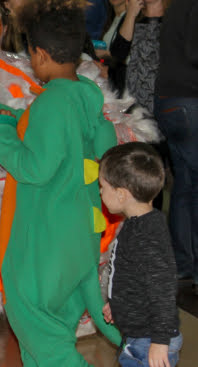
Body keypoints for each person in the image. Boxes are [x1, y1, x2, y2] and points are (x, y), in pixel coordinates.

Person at [0, 0, 121, 365]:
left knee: (43, 336)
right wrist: (22, 119)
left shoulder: (50, 104)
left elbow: (34, 168)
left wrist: (4, 131)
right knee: (49, 338)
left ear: (41, 54)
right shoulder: (88, 96)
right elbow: (104, 151)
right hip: (80, 242)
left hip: (44, 245)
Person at [100, 142, 182, 367]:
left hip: (149, 341)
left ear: (121, 194)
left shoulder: (147, 235)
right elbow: (133, 276)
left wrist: (160, 340)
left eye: (102, 186)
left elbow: (162, 289)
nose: (100, 191)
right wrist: (118, 304)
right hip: (140, 336)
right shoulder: (138, 224)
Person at [154, 0, 198, 294]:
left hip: (168, 103)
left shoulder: (178, 5)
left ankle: (183, 264)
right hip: (189, 99)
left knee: (184, 186)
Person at [110, 0, 166, 113]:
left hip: (163, 97)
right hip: (133, 98)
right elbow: (118, 55)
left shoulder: (174, 18)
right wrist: (131, 15)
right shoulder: (132, 17)